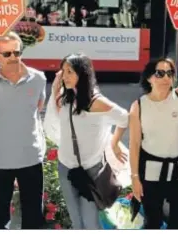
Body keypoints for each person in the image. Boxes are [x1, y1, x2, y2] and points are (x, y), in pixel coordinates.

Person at [129, 14, 178, 229]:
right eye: (160, 73)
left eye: (169, 73)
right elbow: (134, 144)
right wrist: (135, 177)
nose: (166, 77)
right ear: (149, 77)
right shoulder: (138, 106)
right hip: (151, 172)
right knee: (153, 222)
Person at [44, 53, 129, 229]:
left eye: (70, 72)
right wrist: (55, 88)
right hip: (65, 166)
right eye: (63, 71)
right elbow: (55, 118)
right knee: (76, 221)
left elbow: (124, 118)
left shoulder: (96, 102)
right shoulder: (66, 98)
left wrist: (114, 143)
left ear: (82, 74)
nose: (65, 76)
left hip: (91, 169)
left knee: (90, 222)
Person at [0, 31, 47, 229]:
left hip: (30, 156)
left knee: (33, 216)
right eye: (7, 54)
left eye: (17, 53)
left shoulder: (38, 78)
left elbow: (38, 108)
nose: (13, 58)